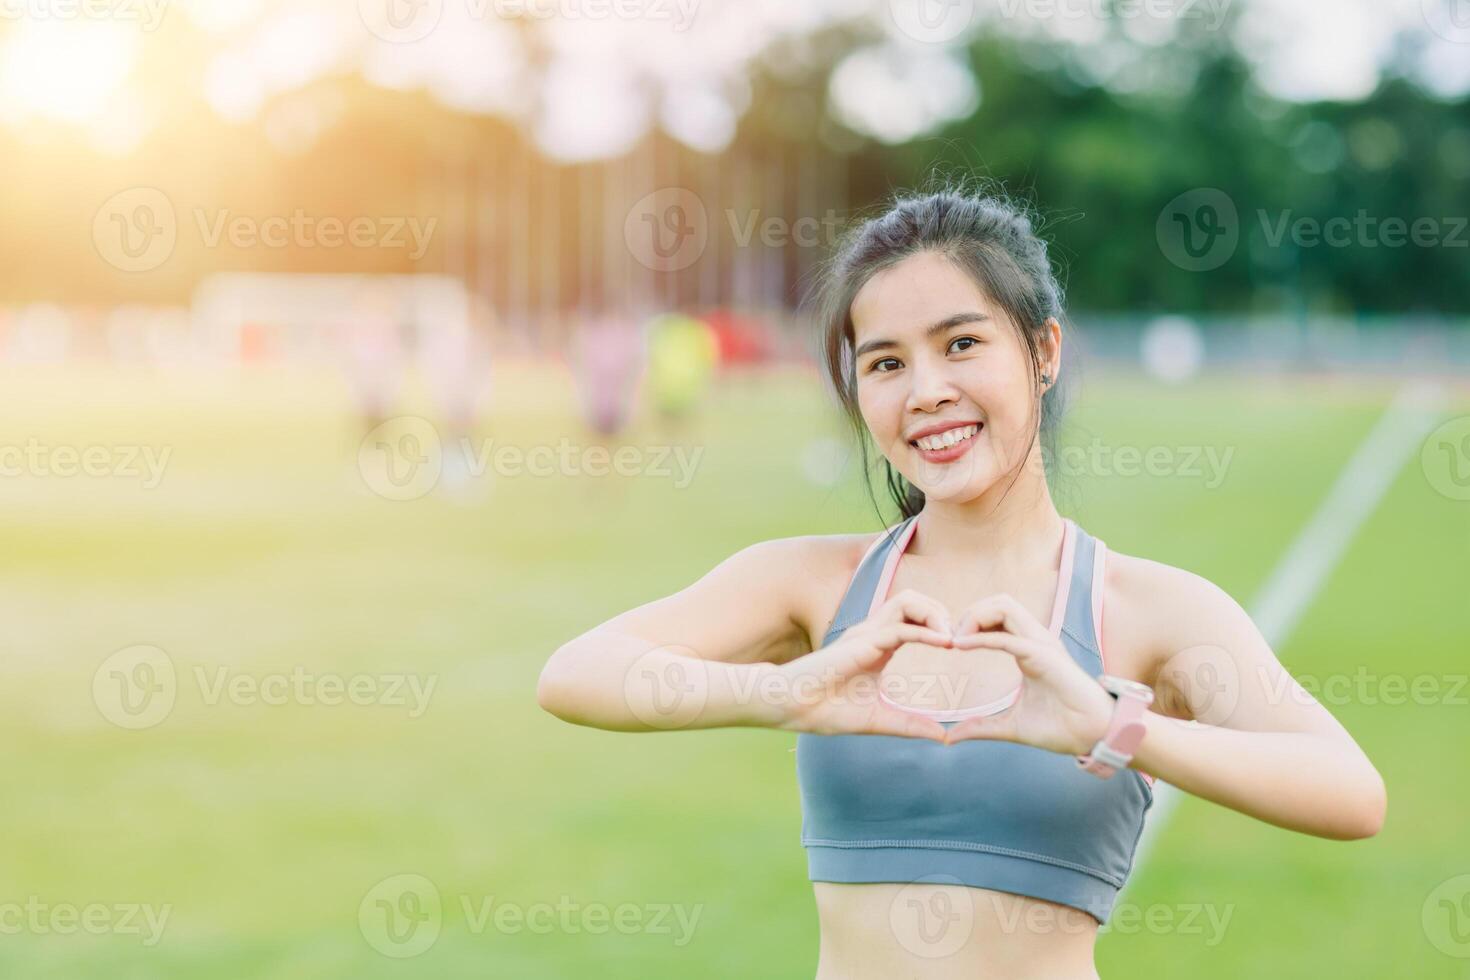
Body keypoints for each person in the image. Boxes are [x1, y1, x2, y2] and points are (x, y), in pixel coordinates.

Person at [536, 187, 1386, 979]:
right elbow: (575, 673)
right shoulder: (815, 583)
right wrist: (779, 693)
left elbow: (1349, 792)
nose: (927, 392)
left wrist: (1114, 727)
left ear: (1044, 350)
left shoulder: (1145, 608)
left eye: (962, 344)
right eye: (885, 364)